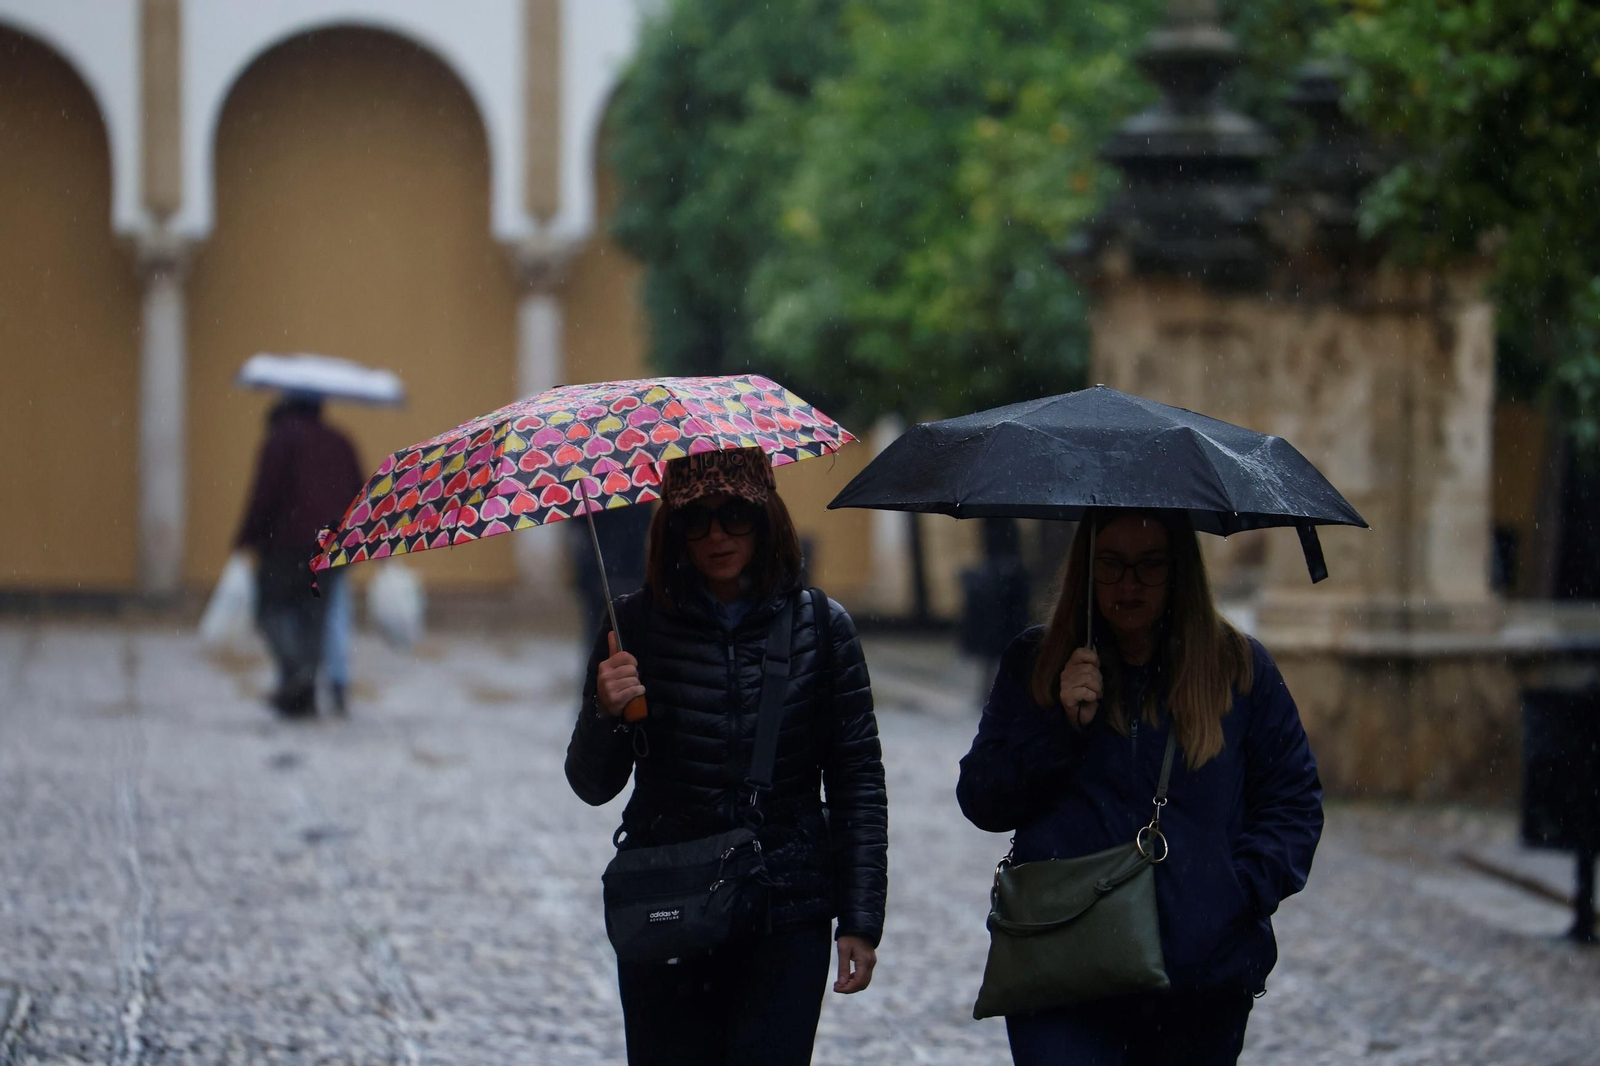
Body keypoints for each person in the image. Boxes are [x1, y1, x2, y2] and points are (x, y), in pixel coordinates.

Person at [956, 510, 1322, 1066]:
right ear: (1086, 569)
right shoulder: (1038, 663)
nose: (1129, 584)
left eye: (1149, 566)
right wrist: (1059, 727)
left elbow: (1292, 802)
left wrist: (1234, 892)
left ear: (1179, 572)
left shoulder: (1238, 670)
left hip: (1197, 984)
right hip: (1063, 971)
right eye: (1112, 565)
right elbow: (983, 798)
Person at [564, 447, 887, 1066]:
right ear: (673, 528)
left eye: (734, 514)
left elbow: (858, 784)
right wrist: (605, 711)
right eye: (697, 518)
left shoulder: (822, 627)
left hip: (785, 905)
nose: (716, 535)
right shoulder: (632, 627)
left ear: (766, 518)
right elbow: (591, 784)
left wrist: (860, 918)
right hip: (669, 902)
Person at [235, 394, 364, 716]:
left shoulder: (281, 439)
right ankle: (301, 696)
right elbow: (361, 493)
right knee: (313, 621)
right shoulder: (341, 441)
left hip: (286, 545)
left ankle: (297, 673)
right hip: (331, 548)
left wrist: (246, 538)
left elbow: (264, 493)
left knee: (269, 611)